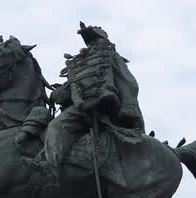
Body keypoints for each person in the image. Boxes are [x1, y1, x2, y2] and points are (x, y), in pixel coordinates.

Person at [21, 22, 145, 185]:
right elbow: (74, 86)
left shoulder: (110, 58)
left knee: (57, 126)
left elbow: (128, 82)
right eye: (90, 40)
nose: (92, 42)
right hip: (80, 106)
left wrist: (128, 108)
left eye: (95, 39)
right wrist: (59, 94)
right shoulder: (80, 63)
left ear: (103, 40)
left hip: (101, 106)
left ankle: (50, 165)